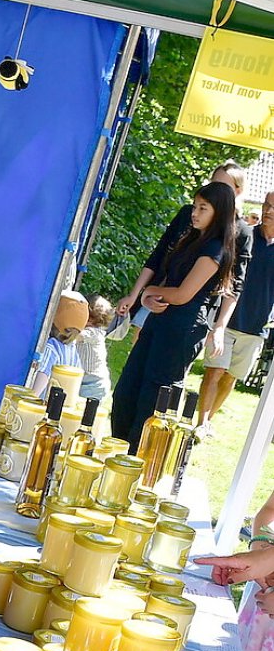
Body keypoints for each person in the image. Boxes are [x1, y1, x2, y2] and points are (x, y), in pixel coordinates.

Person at [108, 180, 239, 449]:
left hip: (182, 331)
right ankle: (118, 452)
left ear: (219, 212)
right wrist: (149, 294)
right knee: (125, 393)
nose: (195, 213)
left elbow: (182, 295)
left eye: (203, 208)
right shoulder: (191, 238)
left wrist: (150, 292)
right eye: (195, 206)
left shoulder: (215, 249)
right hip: (159, 322)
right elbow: (166, 282)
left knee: (150, 404)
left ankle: (134, 464)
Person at [114, 161, 246, 338]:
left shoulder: (240, 232)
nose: (195, 213)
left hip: (189, 316)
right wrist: (136, 294)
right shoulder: (188, 214)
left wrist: (220, 327)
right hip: (159, 296)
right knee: (139, 352)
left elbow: (234, 284)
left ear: (237, 191)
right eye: (213, 183)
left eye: (223, 186)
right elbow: (159, 255)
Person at [198, 190, 274, 435]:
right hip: (227, 319)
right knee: (214, 371)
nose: (268, 211)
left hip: (256, 326)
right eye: (267, 205)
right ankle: (200, 423)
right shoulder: (245, 236)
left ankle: (208, 420)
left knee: (230, 378)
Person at [76, 295, 116, 409]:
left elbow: (76, 336)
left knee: (85, 412)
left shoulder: (94, 333)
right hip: (83, 380)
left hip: (94, 384)